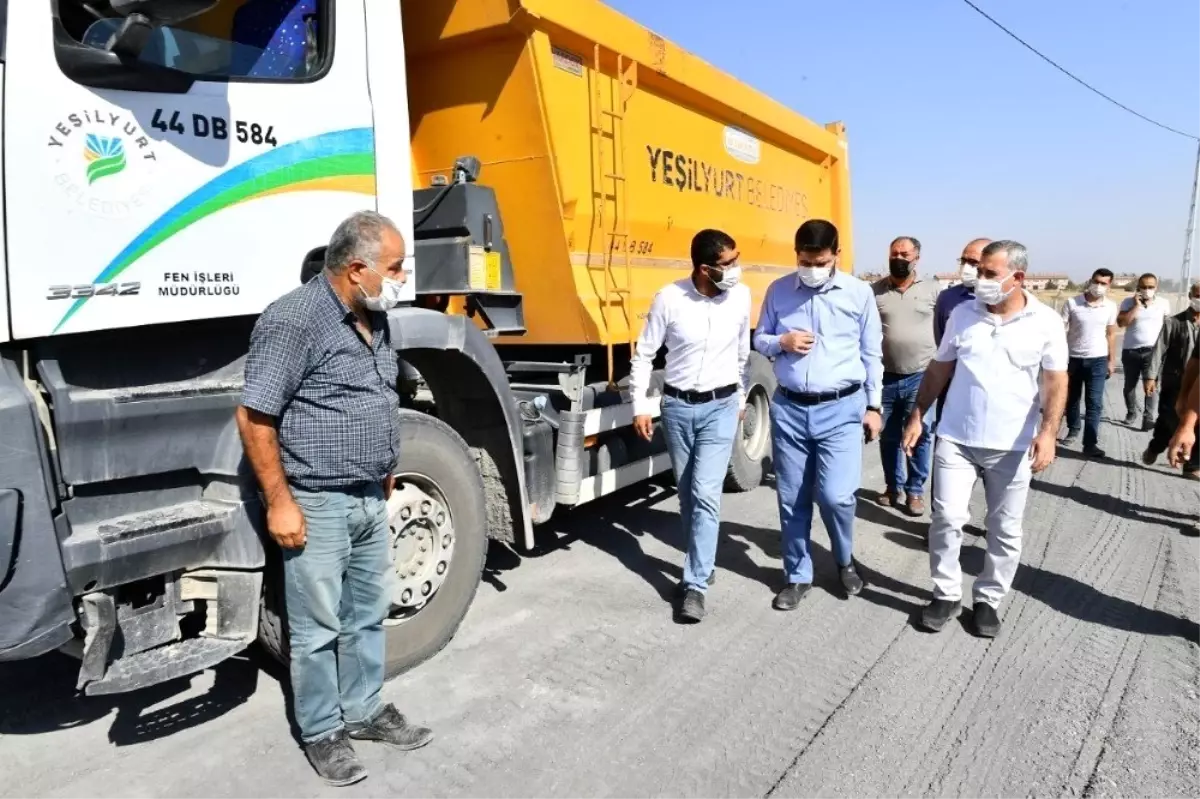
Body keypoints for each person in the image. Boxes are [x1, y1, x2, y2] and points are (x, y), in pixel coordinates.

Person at [237, 211, 432, 787]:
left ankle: (366, 711)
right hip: (316, 502)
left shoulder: (374, 316)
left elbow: (373, 394)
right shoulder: (294, 321)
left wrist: (385, 465)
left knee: (367, 615)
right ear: (357, 268)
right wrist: (280, 501)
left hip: (371, 495)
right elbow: (254, 417)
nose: (401, 278)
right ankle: (323, 731)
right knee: (317, 627)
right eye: (395, 268)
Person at [902, 240, 1067, 638]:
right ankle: (945, 593)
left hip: (1012, 446)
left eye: (991, 274)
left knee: (1005, 528)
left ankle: (988, 600)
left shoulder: (1045, 322)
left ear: (1018, 278)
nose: (981, 280)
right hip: (956, 439)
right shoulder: (963, 314)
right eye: (980, 272)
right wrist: (918, 414)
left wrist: (1048, 432)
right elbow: (939, 369)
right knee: (946, 520)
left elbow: (1056, 380)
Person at [753, 219, 883, 611]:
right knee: (792, 498)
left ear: (836, 256)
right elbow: (760, 338)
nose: (811, 268)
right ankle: (797, 575)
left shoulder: (858, 293)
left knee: (836, 496)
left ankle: (843, 559)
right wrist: (782, 341)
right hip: (791, 407)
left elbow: (871, 352)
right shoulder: (778, 291)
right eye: (805, 260)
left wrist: (874, 406)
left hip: (842, 407)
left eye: (820, 260)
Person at [630, 229, 751, 624]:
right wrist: (641, 406)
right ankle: (704, 555)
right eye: (730, 263)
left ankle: (695, 583)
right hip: (679, 408)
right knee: (686, 493)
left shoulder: (741, 298)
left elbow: (741, 353)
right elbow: (645, 353)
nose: (737, 269)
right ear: (705, 268)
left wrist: (741, 397)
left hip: (721, 405)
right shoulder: (670, 298)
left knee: (705, 492)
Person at [871, 236, 941, 516]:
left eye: (904, 254)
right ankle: (892, 487)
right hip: (885, 377)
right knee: (887, 437)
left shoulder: (934, 291)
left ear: (917, 258)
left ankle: (915, 491)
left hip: (921, 376)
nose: (898, 258)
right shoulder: (874, 291)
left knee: (918, 437)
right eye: (894, 253)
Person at [1143, 281, 1200, 476]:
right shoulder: (1174, 323)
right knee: (1168, 422)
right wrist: (1151, 376)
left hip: (1198, 386)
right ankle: (1155, 447)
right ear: (1191, 296)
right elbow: (1159, 350)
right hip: (1175, 383)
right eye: (1198, 296)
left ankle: (1192, 464)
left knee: (1195, 423)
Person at [1060, 268, 1118, 456]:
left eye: (1103, 283)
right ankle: (1073, 428)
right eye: (1096, 281)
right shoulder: (1072, 303)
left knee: (1094, 403)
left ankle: (1090, 443)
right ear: (1090, 280)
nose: (1099, 286)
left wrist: (1111, 360)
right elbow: (1061, 331)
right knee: (1072, 399)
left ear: (1109, 285)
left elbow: (1111, 334)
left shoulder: (1110, 307)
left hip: (1098, 361)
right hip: (1073, 359)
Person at [1116, 272, 1170, 430]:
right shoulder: (1128, 302)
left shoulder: (1163, 303)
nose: (1147, 290)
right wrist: (1136, 306)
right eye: (1144, 287)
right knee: (1129, 387)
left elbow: (1167, 327)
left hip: (1153, 351)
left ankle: (1148, 416)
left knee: (1151, 385)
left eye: (1150, 287)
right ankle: (1131, 412)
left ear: (1156, 287)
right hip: (1131, 350)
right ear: (1138, 287)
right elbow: (1122, 323)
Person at [933, 238, 992, 348]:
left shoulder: (1003, 298)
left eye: (973, 262)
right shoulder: (947, 298)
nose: (965, 267)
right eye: (963, 261)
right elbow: (942, 344)